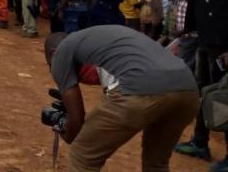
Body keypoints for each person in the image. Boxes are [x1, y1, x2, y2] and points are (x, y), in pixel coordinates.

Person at [44, 26, 199, 171]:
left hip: (139, 90)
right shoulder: (100, 40)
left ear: (53, 52)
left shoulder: (61, 51)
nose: (53, 70)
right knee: (156, 164)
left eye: (50, 65)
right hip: (188, 90)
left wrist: (65, 130)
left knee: (82, 155)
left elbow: (77, 121)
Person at [165, 0, 228, 169]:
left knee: (223, 98)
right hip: (206, 39)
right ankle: (199, 142)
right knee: (205, 93)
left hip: (222, 45)